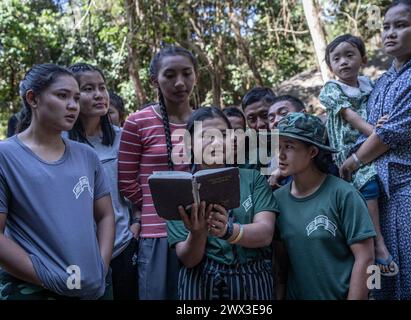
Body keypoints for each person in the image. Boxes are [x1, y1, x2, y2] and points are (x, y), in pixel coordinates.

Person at [340, 0, 411, 299]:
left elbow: (391, 132)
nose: (390, 33)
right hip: (378, 193)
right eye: (386, 26)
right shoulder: (380, 82)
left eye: (401, 26)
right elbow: (368, 126)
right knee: (382, 279)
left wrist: (351, 162)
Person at [0, 64, 115, 300]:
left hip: (92, 288)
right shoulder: (6, 156)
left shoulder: (87, 156)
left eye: (75, 97)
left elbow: (105, 215)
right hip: (30, 289)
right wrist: (47, 276)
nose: (73, 105)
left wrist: (100, 267)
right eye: (62, 96)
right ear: (33, 98)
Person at [167, 107, 279, 300]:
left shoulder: (253, 180)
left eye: (224, 135)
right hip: (200, 281)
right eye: (207, 136)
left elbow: (265, 234)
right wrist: (197, 232)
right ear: (189, 143)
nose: (217, 142)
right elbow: (188, 259)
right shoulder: (180, 190)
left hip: (252, 281)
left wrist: (228, 231)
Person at [118, 45, 197, 300]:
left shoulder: (206, 120)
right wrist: (159, 205)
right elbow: (127, 182)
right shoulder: (137, 122)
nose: (179, 83)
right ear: (155, 80)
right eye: (170, 75)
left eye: (187, 73)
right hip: (157, 234)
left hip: (201, 231)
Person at [273, 112, 376, 300]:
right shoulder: (278, 200)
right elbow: (282, 266)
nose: (280, 154)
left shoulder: (343, 195)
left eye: (288, 146)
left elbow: (366, 259)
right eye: (278, 146)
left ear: (312, 152)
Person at [319, 34, 395, 276]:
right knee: (368, 184)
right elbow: (350, 117)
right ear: (331, 67)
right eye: (337, 58)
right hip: (349, 148)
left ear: (362, 59)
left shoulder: (369, 84)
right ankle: (378, 243)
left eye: (349, 55)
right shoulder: (332, 89)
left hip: (370, 143)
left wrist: (378, 128)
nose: (343, 62)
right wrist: (377, 134)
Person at [67, 63, 138, 300]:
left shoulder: (123, 138)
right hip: (77, 254)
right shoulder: (59, 141)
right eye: (88, 89)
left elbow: (138, 184)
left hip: (122, 246)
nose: (99, 95)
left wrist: (136, 223)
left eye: (102, 87)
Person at [267, 95, 306, 188]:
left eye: (284, 113)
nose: (276, 121)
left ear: (303, 114)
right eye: (271, 119)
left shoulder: (324, 141)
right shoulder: (272, 162)